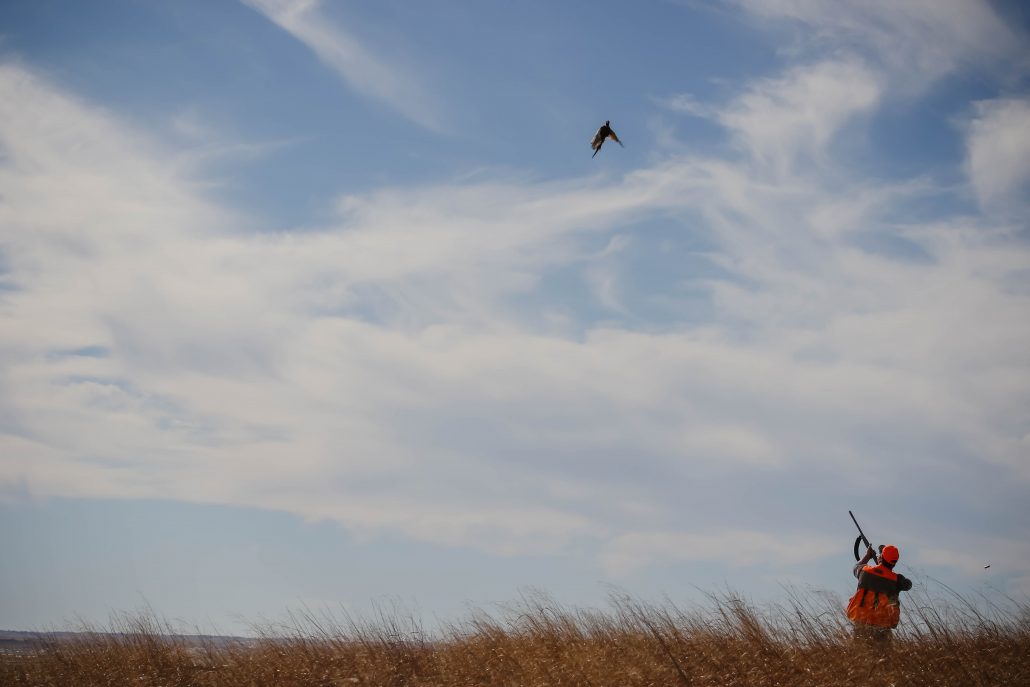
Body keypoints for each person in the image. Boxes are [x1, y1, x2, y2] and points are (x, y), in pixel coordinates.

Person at [846, 544, 913, 646]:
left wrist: (868, 556)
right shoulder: (897, 581)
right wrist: (887, 570)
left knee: (858, 654)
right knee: (883, 658)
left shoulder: (865, 572)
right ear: (894, 562)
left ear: (881, 557)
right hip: (883, 628)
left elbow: (855, 567)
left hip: (861, 624)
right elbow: (908, 585)